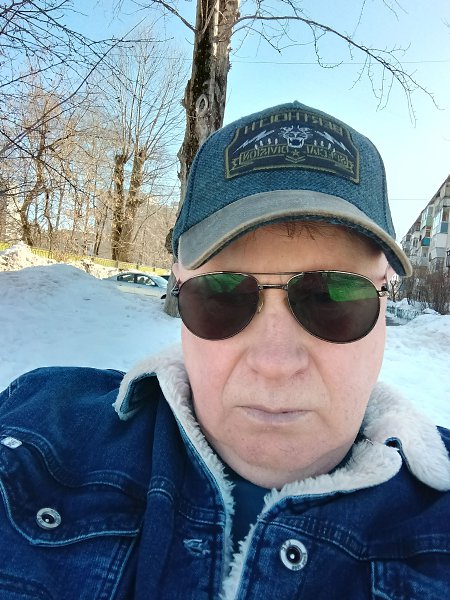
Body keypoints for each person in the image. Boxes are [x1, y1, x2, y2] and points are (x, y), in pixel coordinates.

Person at [0, 101, 449, 600]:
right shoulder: (32, 435)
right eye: (221, 296)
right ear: (178, 290)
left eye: (333, 298)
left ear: (385, 302)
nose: (275, 363)